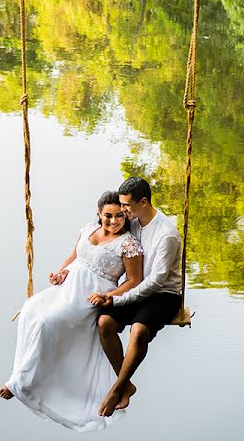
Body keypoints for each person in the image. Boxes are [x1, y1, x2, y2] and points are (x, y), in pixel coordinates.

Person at [0, 191, 144, 431]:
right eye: (108, 215)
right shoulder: (88, 229)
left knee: (47, 323)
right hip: (68, 287)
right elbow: (76, 256)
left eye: (119, 216)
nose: (114, 221)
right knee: (31, 309)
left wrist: (108, 296)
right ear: (99, 213)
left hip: (91, 296)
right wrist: (61, 272)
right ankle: (21, 373)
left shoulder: (128, 244)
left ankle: (21, 382)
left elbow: (135, 280)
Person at [89, 176, 183, 417]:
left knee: (139, 331)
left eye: (127, 206)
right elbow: (104, 233)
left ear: (143, 202)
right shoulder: (133, 221)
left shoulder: (166, 234)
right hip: (136, 289)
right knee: (104, 322)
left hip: (164, 294)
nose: (123, 211)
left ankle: (116, 388)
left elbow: (156, 282)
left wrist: (118, 299)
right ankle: (127, 385)